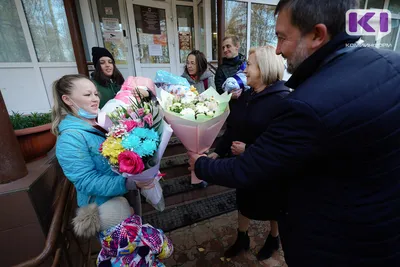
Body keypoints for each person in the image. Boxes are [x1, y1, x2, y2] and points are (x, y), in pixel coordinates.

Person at [188, 0, 400, 266]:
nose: (277, 49)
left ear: (316, 35)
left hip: (337, 246)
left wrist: (202, 166)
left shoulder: (308, 102)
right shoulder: (392, 63)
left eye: (281, 37)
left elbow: (252, 168)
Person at [209, 45, 290, 260]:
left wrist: (249, 148)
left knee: (273, 207)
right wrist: (218, 152)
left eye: (250, 65)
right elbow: (234, 127)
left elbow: (282, 144)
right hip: (245, 164)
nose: (244, 70)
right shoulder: (247, 95)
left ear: (264, 68)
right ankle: (242, 238)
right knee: (244, 201)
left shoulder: (282, 100)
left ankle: (274, 239)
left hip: (269, 170)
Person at [51, 74, 138, 209]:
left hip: (125, 198)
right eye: (87, 95)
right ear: (67, 99)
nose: (95, 99)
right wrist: (128, 182)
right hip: (104, 208)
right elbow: (86, 181)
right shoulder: (70, 139)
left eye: (96, 94)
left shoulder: (103, 121)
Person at [73, 196, 173, 266]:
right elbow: (167, 250)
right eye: (128, 209)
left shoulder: (105, 252)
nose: (132, 208)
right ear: (129, 222)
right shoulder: (147, 235)